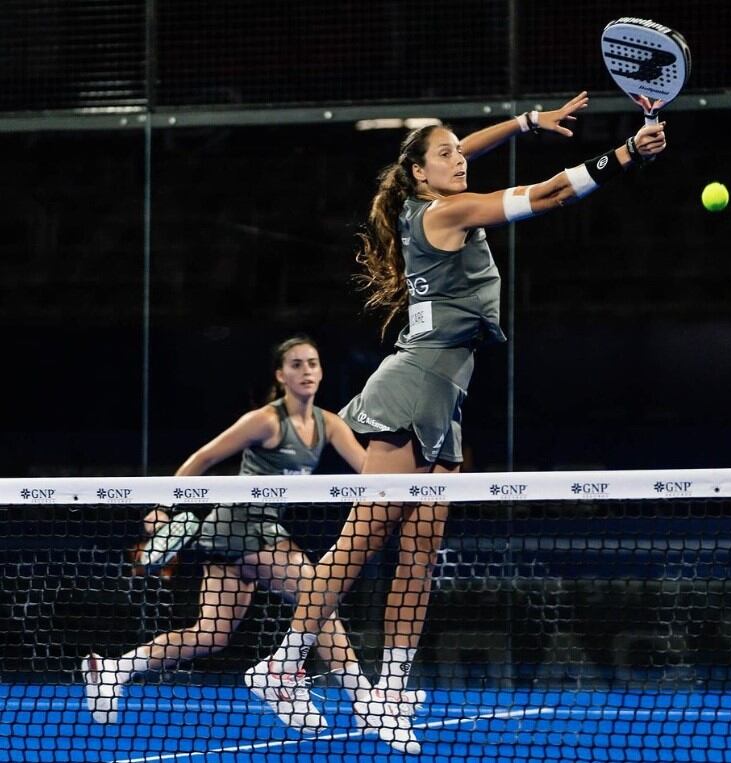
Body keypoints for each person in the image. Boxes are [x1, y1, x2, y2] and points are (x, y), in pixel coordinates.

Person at [246, 94, 669, 753]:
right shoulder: (445, 211)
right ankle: (282, 663)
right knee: (359, 543)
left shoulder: (435, 187)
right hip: (409, 388)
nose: (458, 157)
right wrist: (623, 153)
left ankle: (387, 695)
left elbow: (464, 150)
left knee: (416, 560)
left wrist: (527, 122)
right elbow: (552, 194)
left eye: (457, 149)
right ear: (419, 174)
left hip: (446, 398)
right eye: (443, 153)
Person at [81, 335, 400, 732]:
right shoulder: (265, 420)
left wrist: (414, 474)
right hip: (240, 527)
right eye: (297, 365)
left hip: (247, 535)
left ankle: (113, 669)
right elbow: (206, 457)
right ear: (281, 375)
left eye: (313, 364)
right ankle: (360, 698)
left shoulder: (328, 424)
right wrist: (164, 505)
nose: (307, 372)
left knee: (211, 634)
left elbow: (372, 471)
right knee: (319, 594)